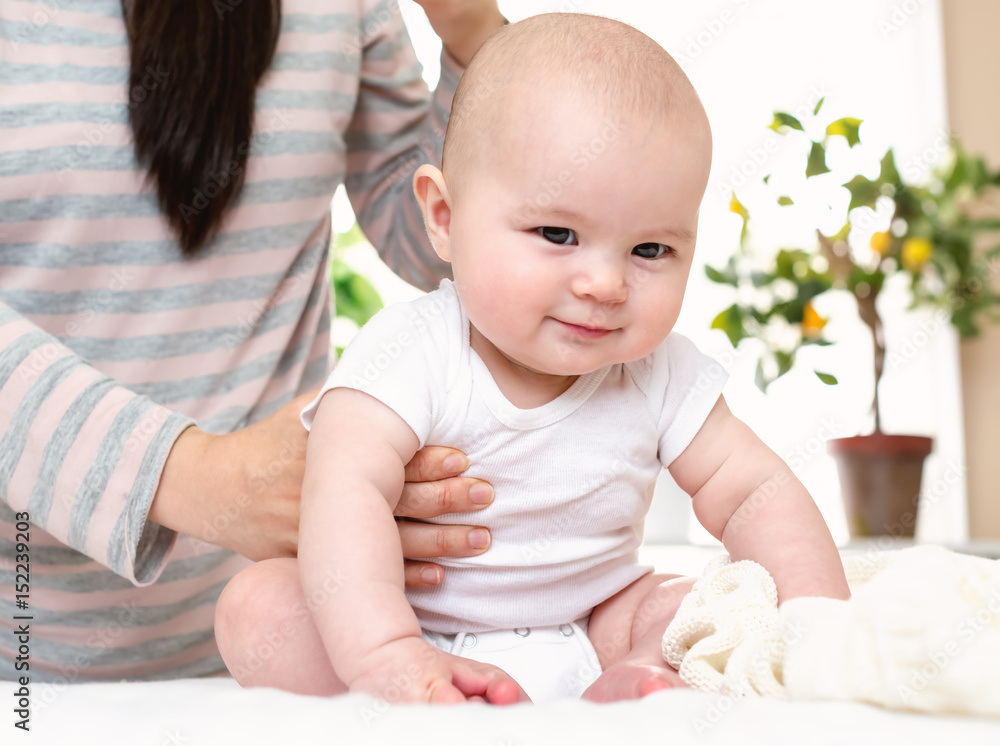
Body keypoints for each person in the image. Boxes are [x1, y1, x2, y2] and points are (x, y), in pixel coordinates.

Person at [213, 12, 851, 706]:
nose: (605, 285)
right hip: (415, 624)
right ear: (445, 218)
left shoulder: (662, 370)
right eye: (557, 233)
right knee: (259, 606)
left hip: (593, 623)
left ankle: (637, 673)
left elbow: (754, 490)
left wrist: (821, 622)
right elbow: (345, 492)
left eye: (650, 251)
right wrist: (386, 648)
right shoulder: (412, 350)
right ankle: (396, 683)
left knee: (700, 598)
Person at [0, 0, 508, 683]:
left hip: (278, 654)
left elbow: (434, 241)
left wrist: (472, 34)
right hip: (22, 649)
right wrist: (205, 479)